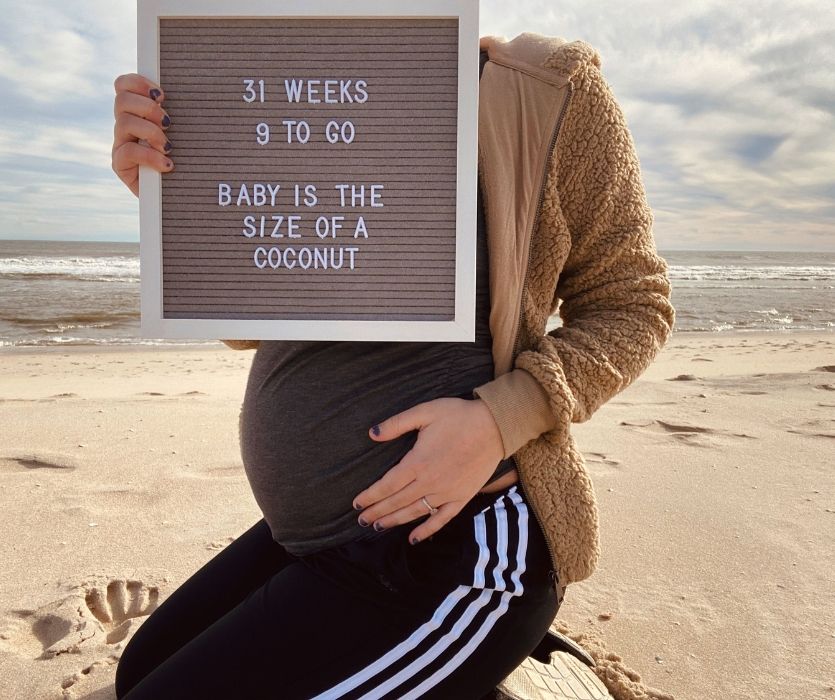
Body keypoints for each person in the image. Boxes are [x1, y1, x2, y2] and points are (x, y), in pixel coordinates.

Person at [110, 32, 675, 699]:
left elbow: (633, 306)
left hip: (458, 547)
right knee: (138, 675)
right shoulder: (284, 99)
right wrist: (182, 201)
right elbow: (252, 331)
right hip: (320, 540)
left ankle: (483, 647)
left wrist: (500, 420)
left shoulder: (546, 89)